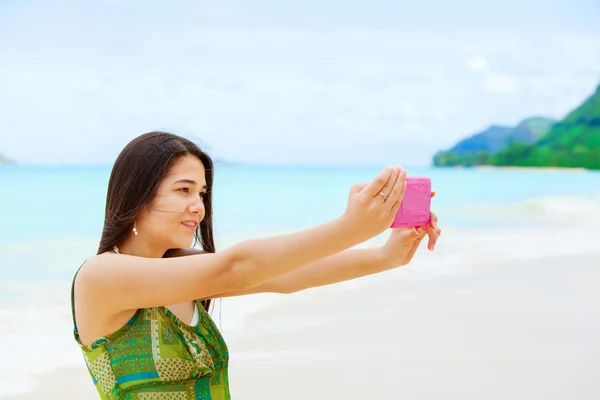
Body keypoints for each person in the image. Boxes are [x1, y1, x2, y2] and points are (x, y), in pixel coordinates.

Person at [70, 131, 441, 399]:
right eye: (183, 190)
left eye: (201, 193)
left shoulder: (183, 272)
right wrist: (350, 227)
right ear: (136, 194)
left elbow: (287, 275)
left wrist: (385, 255)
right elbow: (237, 266)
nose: (198, 206)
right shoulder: (101, 276)